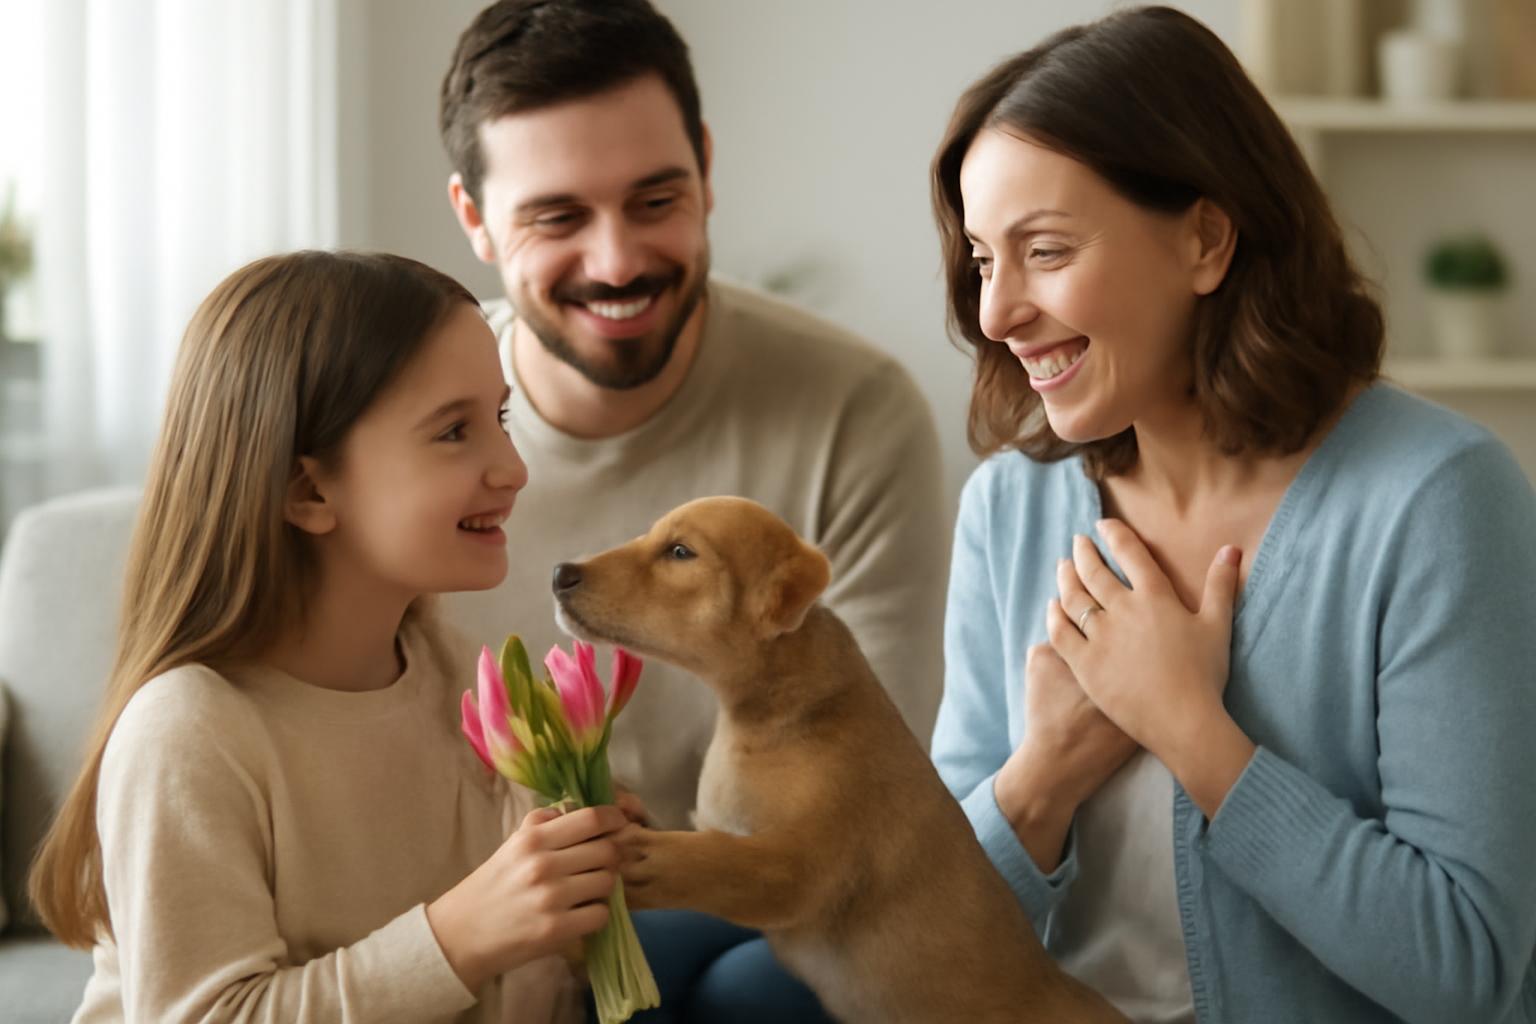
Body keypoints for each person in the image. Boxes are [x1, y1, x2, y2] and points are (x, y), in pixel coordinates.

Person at [928, 8, 1536, 1024]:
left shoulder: (1436, 500)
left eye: (1045, 249)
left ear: (1206, 238)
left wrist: (1192, 733)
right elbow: (925, 951)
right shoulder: (1008, 507)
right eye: (986, 260)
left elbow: (1465, 967)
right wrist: (1040, 780)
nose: (995, 314)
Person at [436, 3, 943, 1019]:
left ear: (707, 170)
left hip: (768, 925)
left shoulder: (854, 412)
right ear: (475, 220)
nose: (617, 261)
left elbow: (862, 806)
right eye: (557, 217)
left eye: (654, 198)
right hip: (500, 925)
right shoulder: (409, 444)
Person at [30, 251, 630, 1023]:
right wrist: (460, 936)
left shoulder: (451, 672)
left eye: (501, 418)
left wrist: (580, 889)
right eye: (454, 430)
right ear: (308, 489)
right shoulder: (188, 732)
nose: (512, 467)